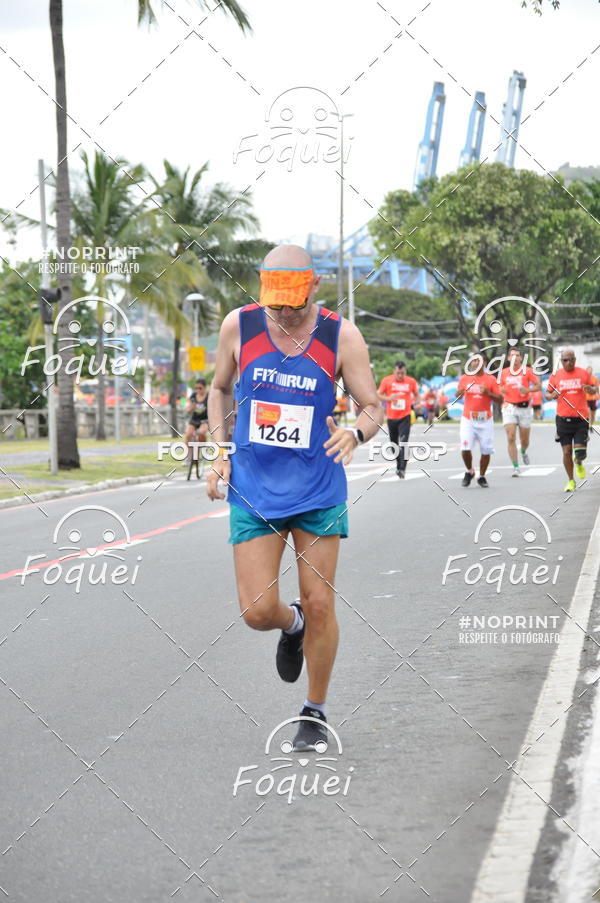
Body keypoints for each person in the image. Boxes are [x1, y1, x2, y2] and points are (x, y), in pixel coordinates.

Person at [206, 244, 382, 750]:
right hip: (255, 486)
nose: (284, 313)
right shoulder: (238, 326)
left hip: (317, 486)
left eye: (294, 304)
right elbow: (219, 389)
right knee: (258, 611)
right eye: (275, 304)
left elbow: (373, 406)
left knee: (321, 601)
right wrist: (221, 451)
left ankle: (315, 710)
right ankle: (292, 625)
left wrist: (356, 434)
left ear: (314, 288)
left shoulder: (340, 334)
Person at [546, 349, 598, 491]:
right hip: (563, 419)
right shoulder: (556, 375)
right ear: (561, 361)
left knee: (580, 452)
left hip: (581, 419)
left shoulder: (583, 373)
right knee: (567, 451)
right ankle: (570, 480)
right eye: (565, 360)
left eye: (571, 360)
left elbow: (595, 389)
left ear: (575, 360)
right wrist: (551, 396)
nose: (569, 363)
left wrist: (591, 390)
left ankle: (579, 462)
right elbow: (547, 393)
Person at [456, 360, 503, 487]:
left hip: (485, 419)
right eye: (473, 361)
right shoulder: (465, 378)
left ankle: (481, 476)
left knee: (486, 450)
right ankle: (469, 471)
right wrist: (460, 392)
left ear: (483, 363)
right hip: (468, 419)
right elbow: (457, 395)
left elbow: (500, 399)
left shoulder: (491, 379)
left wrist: (488, 393)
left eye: (478, 361)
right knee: (465, 448)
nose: (475, 363)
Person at [499, 348, 541, 475]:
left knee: (524, 440)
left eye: (517, 355)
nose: (515, 358)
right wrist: (502, 392)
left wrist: (527, 391)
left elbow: (539, 386)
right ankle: (516, 467)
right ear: (508, 358)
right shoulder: (503, 372)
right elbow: (499, 386)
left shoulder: (527, 371)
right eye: (512, 355)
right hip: (509, 407)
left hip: (524, 408)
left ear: (521, 358)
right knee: (511, 437)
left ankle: (523, 451)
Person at [377, 361, 419, 478]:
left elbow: (417, 395)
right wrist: (388, 398)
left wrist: (414, 403)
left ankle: (402, 469)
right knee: (393, 445)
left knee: (404, 443)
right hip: (391, 417)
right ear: (394, 371)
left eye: (402, 373)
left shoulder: (411, 381)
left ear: (405, 371)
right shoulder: (387, 380)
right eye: (398, 373)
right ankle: (398, 465)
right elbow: (378, 394)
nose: (400, 375)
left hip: (405, 416)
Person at [185, 379, 209, 458]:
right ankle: (188, 456)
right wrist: (190, 408)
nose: (198, 390)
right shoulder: (193, 396)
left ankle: (203, 450)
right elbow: (188, 410)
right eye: (196, 388)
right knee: (188, 434)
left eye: (200, 388)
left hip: (205, 420)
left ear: (205, 388)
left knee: (201, 432)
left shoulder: (209, 396)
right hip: (194, 419)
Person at [584, 366, 599, 431]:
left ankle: (591, 425)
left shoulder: (595, 378)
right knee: (589, 412)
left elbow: (597, 387)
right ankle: (589, 425)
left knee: (593, 414)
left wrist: (598, 394)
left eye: (591, 370)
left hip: (593, 399)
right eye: (588, 370)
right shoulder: (584, 378)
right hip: (586, 399)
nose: (589, 372)